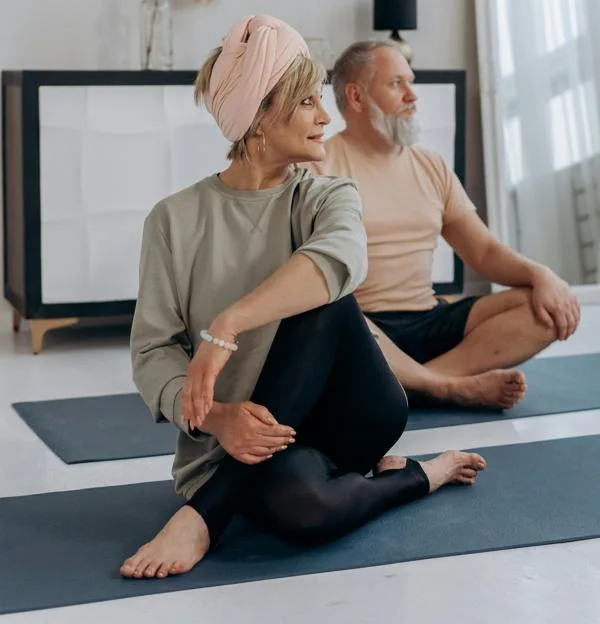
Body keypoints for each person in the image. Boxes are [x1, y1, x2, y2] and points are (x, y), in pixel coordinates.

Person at [119, 17, 486, 580]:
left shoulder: (327, 195)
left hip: (350, 414)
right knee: (306, 512)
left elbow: (341, 260)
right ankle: (421, 475)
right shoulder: (173, 220)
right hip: (240, 442)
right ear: (261, 116)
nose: (326, 117)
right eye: (309, 102)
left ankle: (204, 515)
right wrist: (217, 419)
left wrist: (228, 325)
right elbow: (152, 351)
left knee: (324, 296)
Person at [307, 41, 581, 410]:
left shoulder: (431, 166)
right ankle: (445, 386)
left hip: (428, 317)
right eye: (396, 84)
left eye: (410, 82)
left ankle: (416, 385)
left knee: (543, 311)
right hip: (361, 326)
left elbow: (482, 251)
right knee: (325, 316)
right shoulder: (317, 168)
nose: (411, 95)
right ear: (356, 97)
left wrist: (540, 274)